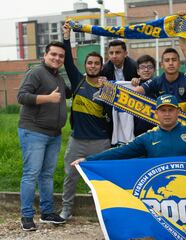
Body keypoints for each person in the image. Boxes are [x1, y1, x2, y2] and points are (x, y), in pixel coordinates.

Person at [59, 23, 112, 220]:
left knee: (103, 178)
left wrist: (106, 90)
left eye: (96, 64)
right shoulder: (77, 81)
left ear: (101, 66)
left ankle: (106, 212)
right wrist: (66, 37)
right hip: (77, 140)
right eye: (89, 63)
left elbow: (111, 113)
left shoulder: (107, 87)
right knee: (70, 176)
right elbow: (67, 62)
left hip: (101, 141)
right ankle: (66, 210)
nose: (92, 66)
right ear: (85, 65)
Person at [17, 41, 69, 231]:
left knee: (46, 175)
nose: (57, 58)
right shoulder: (36, 72)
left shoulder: (59, 78)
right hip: (33, 131)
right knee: (31, 174)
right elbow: (22, 96)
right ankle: (27, 216)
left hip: (53, 134)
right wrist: (47, 98)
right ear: (45, 55)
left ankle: (47, 213)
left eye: (61, 56)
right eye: (53, 54)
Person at [134, 48, 186, 126]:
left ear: (179, 63)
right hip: (165, 126)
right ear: (162, 65)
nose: (171, 63)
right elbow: (135, 92)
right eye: (167, 60)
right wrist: (134, 81)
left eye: (174, 60)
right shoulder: (156, 81)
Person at [101, 40, 139, 146]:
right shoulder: (104, 69)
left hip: (131, 106)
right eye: (111, 53)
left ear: (125, 53)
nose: (114, 56)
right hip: (113, 105)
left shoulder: (134, 66)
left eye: (117, 52)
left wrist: (138, 80)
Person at [131, 55, 157, 136]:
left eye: (149, 67)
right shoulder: (133, 85)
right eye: (142, 67)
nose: (146, 70)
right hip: (137, 133)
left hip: (157, 131)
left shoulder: (160, 84)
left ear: (154, 70)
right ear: (138, 71)